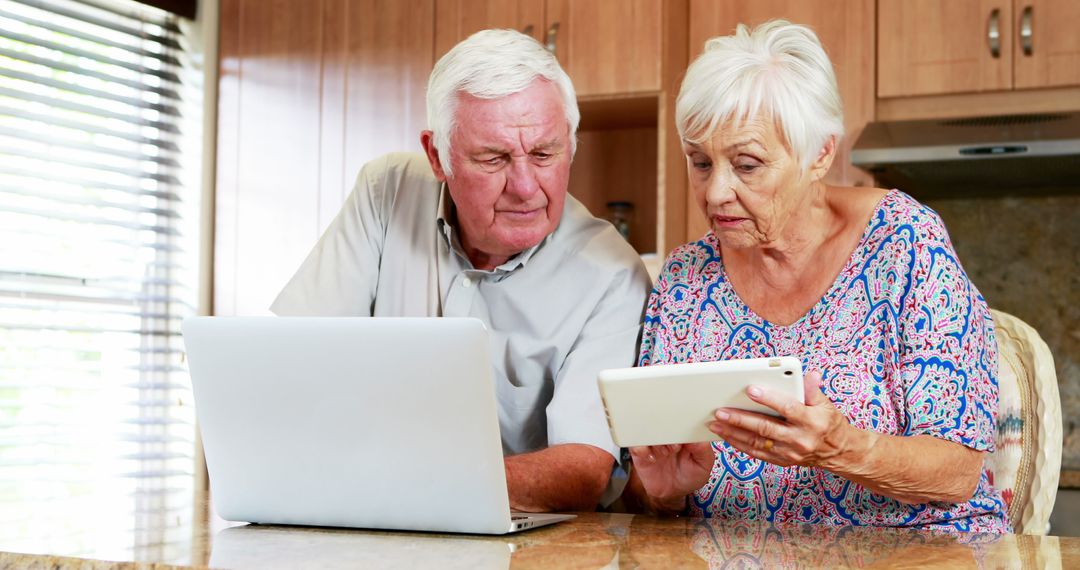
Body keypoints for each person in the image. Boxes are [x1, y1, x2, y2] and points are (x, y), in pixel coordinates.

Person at [622, 20, 1009, 532]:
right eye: (699, 162)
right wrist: (664, 494)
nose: (715, 193)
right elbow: (644, 491)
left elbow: (958, 473)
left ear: (820, 154)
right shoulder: (687, 278)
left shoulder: (904, 243)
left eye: (747, 164)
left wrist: (841, 448)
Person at [270, 29, 652, 512]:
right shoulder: (385, 191)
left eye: (544, 154)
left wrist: (394, 485)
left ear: (571, 147)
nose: (525, 187)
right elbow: (295, 365)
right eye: (493, 158)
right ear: (437, 156)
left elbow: (585, 469)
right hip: (362, 520)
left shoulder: (613, 274)